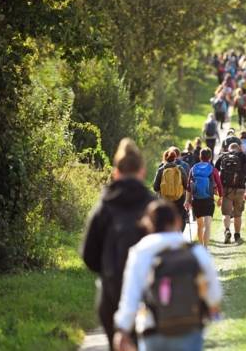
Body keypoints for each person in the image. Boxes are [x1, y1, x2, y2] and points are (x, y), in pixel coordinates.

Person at [113, 200, 222, 351]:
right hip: (189, 327)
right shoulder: (195, 251)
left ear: (148, 224)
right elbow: (214, 294)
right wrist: (211, 308)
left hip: (152, 329)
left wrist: (122, 330)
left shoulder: (140, 252)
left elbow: (131, 296)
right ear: (177, 221)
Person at [82, 138, 154, 350]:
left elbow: (89, 256)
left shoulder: (104, 207)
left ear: (116, 171)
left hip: (112, 294)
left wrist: (108, 268)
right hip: (149, 296)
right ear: (142, 171)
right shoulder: (153, 206)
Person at [185, 148, 223, 247]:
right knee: (208, 225)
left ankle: (201, 247)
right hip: (208, 200)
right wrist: (220, 197)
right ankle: (205, 249)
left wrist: (187, 201)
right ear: (210, 157)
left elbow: (189, 187)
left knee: (199, 226)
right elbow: (219, 184)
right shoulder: (212, 169)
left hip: (196, 200)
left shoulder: (193, 168)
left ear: (200, 157)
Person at [215, 143, 246, 244]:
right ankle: (237, 235)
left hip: (226, 189)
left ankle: (227, 230)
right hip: (240, 189)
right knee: (238, 214)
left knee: (226, 213)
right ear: (238, 148)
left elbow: (215, 170)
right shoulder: (243, 157)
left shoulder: (223, 156)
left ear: (229, 149)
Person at [152, 149, 188, 232]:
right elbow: (186, 185)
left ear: (165, 158)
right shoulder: (180, 169)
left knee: (166, 220)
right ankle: (179, 235)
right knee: (180, 218)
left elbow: (155, 187)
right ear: (175, 158)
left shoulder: (161, 170)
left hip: (165, 200)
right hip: (179, 199)